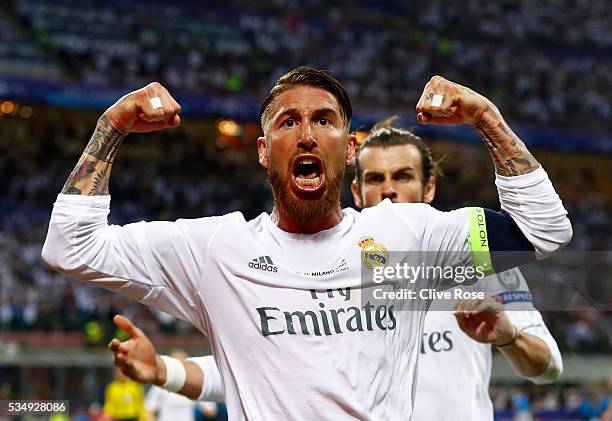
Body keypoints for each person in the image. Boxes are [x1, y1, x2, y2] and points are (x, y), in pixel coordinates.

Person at [42, 67, 572, 420]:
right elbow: (70, 246)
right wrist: (110, 128)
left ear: (349, 146)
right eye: (287, 122)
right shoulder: (214, 251)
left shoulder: (408, 240)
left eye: (324, 120)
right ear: (263, 151)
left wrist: (485, 118)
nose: (307, 135)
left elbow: (544, 229)